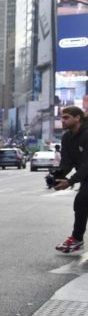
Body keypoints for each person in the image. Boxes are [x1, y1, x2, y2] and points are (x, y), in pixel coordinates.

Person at [53, 106, 88, 253]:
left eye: (66, 117)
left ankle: (76, 238)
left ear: (77, 118)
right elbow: (66, 162)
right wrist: (56, 176)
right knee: (81, 203)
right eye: (62, 117)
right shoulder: (67, 137)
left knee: (81, 200)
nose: (63, 121)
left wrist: (70, 181)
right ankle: (77, 239)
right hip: (86, 176)